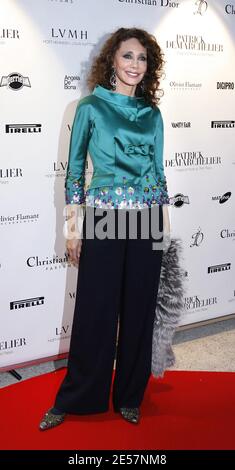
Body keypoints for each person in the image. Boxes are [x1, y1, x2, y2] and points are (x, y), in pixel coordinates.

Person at [39, 27, 170, 431]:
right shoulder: (90, 108)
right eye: (128, 56)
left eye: (142, 58)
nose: (135, 65)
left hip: (147, 219)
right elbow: (75, 172)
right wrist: (73, 229)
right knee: (95, 312)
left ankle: (130, 395)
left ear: (150, 67)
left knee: (139, 312)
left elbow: (157, 172)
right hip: (103, 216)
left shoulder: (152, 114)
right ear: (111, 60)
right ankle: (79, 396)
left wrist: (163, 227)